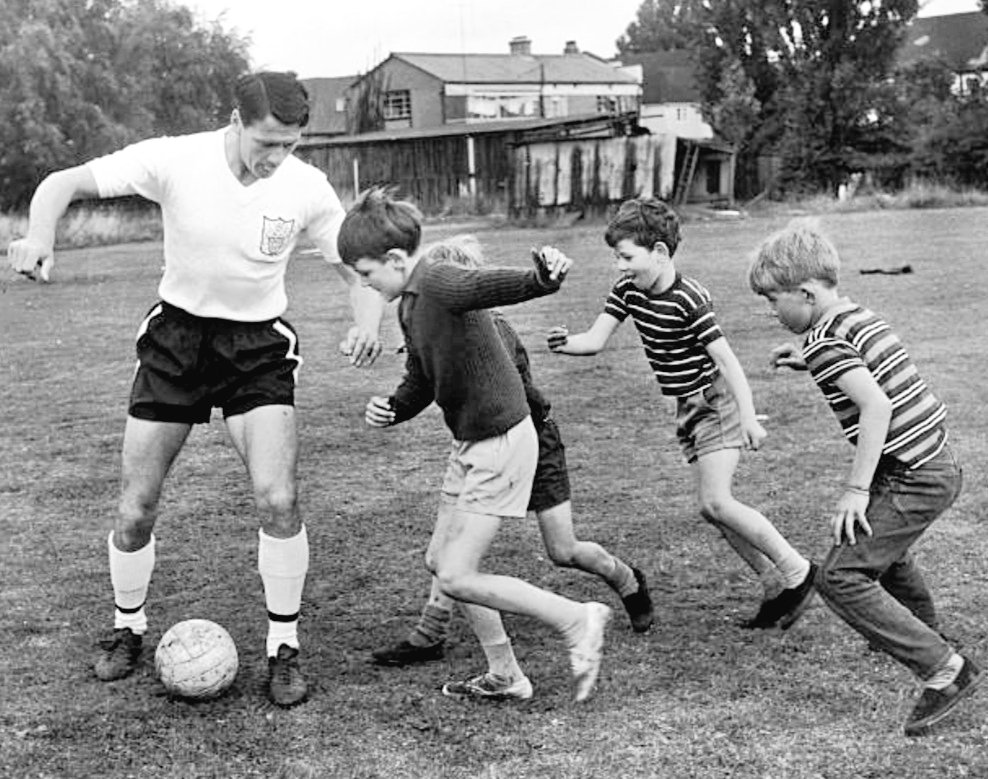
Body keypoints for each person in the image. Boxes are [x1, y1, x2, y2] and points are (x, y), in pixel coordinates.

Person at [7, 71, 384, 707]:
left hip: (257, 347)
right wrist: (40, 234)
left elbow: (356, 269)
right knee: (136, 506)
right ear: (234, 122)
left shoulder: (306, 187)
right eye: (266, 142)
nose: (276, 157)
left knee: (278, 498)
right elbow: (62, 182)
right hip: (175, 343)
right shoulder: (175, 158)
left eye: (289, 145)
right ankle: (128, 626)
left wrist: (368, 320)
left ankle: (283, 647)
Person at [337, 188, 611, 702]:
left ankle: (577, 619)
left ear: (395, 260)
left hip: (502, 441)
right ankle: (506, 675)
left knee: (459, 574)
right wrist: (394, 407)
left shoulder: (437, 280)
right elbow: (422, 377)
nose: (365, 284)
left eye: (366, 273)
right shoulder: (410, 305)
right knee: (442, 561)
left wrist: (541, 279)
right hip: (472, 443)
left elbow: (487, 285)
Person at [369, 236, 653, 670]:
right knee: (449, 555)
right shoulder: (424, 313)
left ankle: (626, 579)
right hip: (489, 442)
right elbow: (424, 376)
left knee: (563, 550)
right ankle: (433, 632)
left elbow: (511, 398)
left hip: (530, 439)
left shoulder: (489, 330)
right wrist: (401, 401)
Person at [748, 220, 981, 737]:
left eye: (772, 301)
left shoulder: (826, 341)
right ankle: (932, 635)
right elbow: (856, 358)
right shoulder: (853, 316)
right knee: (884, 553)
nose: (771, 312)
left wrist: (855, 490)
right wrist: (809, 358)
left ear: (805, 294)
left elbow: (875, 404)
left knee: (841, 576)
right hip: (936, 458)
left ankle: (944, 669)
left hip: (912, 473)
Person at [547, 197, 815, 630]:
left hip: (715, 403)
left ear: (660, 253)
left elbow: (727, 362)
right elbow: (596, 339)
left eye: (626, 256)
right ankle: (773, 583)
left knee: (716, 501)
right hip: (686, 409)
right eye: (616, 257)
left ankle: (798, 571)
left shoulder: (689, 299)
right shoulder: (628, 291)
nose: (619, 266)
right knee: (712, 509)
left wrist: (748, 416)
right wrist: (567, 342)